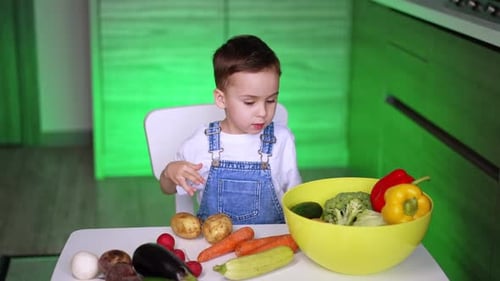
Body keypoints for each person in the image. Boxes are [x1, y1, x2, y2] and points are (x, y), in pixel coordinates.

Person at [160, 34, 302, 224]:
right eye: (249, 102)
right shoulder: (201, 142)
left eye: (271, 100)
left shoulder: (281, 139)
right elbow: (167, 188)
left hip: (269, 243)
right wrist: (170, 172)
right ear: (221, 99)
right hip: (212, 245)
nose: (262, 112)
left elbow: (296, 198)